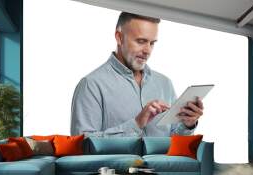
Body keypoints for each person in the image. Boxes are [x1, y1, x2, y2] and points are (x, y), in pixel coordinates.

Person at [70, 12, 204, 137]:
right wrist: (136, 124)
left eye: (152, 43)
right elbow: (83, 146)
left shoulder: (165, 84)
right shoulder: (91, 85)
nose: (147, 50)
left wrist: (188, 124)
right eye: (141, 41)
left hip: (161, 163)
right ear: (119, 37)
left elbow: (174, 140)